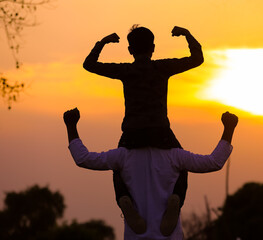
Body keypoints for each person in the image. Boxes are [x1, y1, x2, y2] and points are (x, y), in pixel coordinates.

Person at [83, 25, 204, 235]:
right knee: (182, 164)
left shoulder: (126, 70)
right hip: (161, 133)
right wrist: (187, 34)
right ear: (153, 48)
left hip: (131, 134)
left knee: (118, 167)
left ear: (130, 50)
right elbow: (197, 58)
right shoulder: (161, 68)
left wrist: (102, 43)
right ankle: (176, 199)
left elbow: (89, 65)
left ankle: (124, 200)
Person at [64, 108, 238, 240]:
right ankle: (176, 199)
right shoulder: (175, 155)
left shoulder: (123, 155)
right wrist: (229, 128)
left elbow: (83, 159)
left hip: (135, 235)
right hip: (170, 236)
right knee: (182, 171)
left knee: (116, 171)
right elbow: (213, 162)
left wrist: (71, 125)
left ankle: (124, 200)